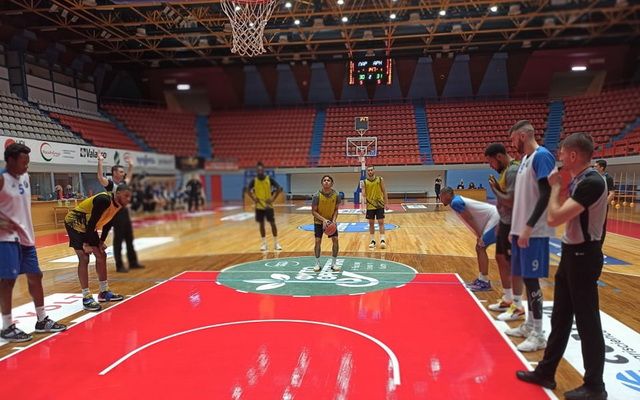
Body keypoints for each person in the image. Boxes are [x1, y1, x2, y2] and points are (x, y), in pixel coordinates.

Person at [517, 133, 608, 400]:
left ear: (573, 155)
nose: (559, 157)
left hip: (584, 256)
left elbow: (554, 217)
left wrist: (555, 186)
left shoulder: (592, 182)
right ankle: (546, 371)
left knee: (588, 322)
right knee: (560, 317)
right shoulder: (581, 179)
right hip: (571, 254)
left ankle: (595, 386)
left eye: (563, 153)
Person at [0, 144, 67, 342]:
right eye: (24, 162)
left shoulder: (25, 177)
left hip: (26, 237)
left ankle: (42, 319)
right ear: (10, 160)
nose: (27, 166)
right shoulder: (2, 179)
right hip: (7, 239)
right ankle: (7, 326)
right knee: (7, 281)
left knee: (36, 276)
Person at [506, 120, 556, 352]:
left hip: (534, 232)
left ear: (523, 135)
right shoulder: (525, 159)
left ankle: (538, 334)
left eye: (513, 139)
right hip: (521, 230)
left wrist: (528, 226)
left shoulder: (541, 156)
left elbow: (546, 193)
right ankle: (529, 325)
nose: (512, 143)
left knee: (533, 280)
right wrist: (515, 229)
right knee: (526, 278)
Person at [64, 184, 132, 312]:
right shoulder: (104, 200)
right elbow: (92, 222)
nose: (129, 199)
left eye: (130, 197)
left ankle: (104, 292)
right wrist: (86, 244)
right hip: (75, 223)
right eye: (126, 196)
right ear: (118, 194)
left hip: (89, 226)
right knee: (84, 258)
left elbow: (108, 224)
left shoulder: (119, 206)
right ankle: (86, 297)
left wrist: (101, 242)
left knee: (101, 254)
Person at [485, 143, 525, 321]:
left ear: (499, 157)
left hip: (514, 223)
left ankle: (518, 305)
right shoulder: (505, 172)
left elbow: (511, 200)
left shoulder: (513, 171)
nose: (490, 166)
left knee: (513, 263)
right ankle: (508, 299)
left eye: (491, 162)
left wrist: (494, 190)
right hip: (505, 221)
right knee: (500, 258)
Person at [440, 187, 499, 292]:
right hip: (493, 218)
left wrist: (479, 235)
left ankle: (484, 282)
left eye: (441, 196)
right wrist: (479, 235)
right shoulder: (456, 201)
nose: (440, 199)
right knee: (479, 248)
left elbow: (470, 218)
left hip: (495, 218)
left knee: (481, 247)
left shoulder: (456, 202)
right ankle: (482, 279)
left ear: (447, 195)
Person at [97, 152, 144, 273]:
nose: (123, 173)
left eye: (123, 172)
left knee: (129, 238)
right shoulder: (110, 184)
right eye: (121, 172)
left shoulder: (123, 184)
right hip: (115, 213)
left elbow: (129, 177)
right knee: (118, 239)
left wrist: (131, 165)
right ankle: (119, 265)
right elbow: (100, 178)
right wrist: (100, 162)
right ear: (114, 173)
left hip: (125, 212)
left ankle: (133, 262)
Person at [247, 162, 283, 251]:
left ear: (263, 170)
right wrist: (253, 198)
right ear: (256, 171)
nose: (259, 171)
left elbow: (279, 188)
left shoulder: (269, 179)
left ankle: (276, 243)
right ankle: (264, 244)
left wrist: (273, 199)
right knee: (261, 224)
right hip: (259, 206)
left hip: (268, 206)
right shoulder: (254, 180)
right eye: (258, 170)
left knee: (272, 224)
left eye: (261, 170)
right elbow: (248, 190)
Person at [311, 175, 341, 272]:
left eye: (328, 180)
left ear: (332, 183)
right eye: (324, 180)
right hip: (319, 221)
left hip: (331, 222)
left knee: (335, 240)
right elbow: (313, 212)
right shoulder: (316, 196)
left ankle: (334, 263)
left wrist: (334, 220)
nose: (326, 181)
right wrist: (324, 220)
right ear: (322, 183)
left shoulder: (336, 195)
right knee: (317, 241)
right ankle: (317, 263)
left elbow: (336, 209)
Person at [363, 166, 389, 249]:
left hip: (379, 204)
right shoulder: (364, 182)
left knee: (381, 222)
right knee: (371, 224)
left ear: (374, 171)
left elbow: (384, 191)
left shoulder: (380, 179)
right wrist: (362, 206)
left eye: (371, 170)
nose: (370, 171)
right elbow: (363, 195)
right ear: (367, 172)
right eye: (368, 170)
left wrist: (386, 203)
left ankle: (382, 240)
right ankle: (372, 241)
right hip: (370, 205)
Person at [594, 159, 615, 245]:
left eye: (596, 166)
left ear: (601, 168)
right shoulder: (594, 177)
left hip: (602, 207)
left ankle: (598, 247)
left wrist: (603, 205)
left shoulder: (608, 178)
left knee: (601, 227)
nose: (594, 168)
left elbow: (612, 193)